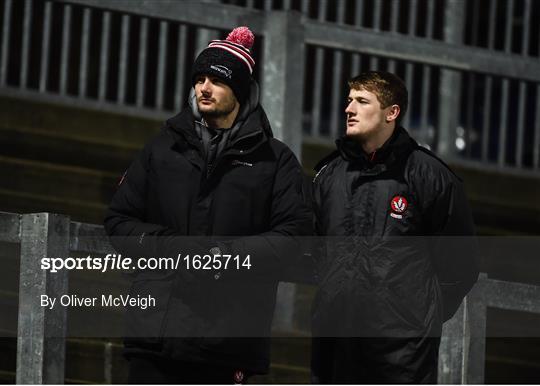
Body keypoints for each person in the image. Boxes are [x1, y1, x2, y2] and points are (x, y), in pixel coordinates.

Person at [104, 26, 311, 384]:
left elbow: (293, 238)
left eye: (217, 80)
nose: (204, 87)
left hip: (227, 342)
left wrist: (225, 255)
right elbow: (119, 221)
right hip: (155, 337)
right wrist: (171, 247)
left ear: (241, 90)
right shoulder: (162, 148)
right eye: (199, 78)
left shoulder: (275, 161)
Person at [310, 71, 479, 383]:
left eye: (362, 101)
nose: (349, 109)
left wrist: (417, 317)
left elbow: (461, 265)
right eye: (349, 101)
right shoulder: (328, 175)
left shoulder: (430, 177)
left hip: (401, 357)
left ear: (392, 113)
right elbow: (314, 251)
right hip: (334, 346)